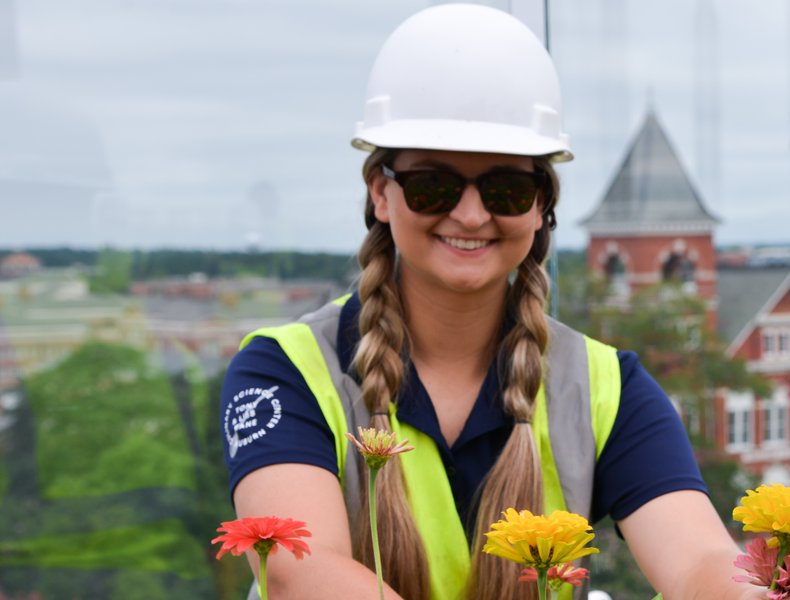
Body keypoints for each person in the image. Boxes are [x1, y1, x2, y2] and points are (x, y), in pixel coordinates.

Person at [220, 4, 759, 599]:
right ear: (381, 192)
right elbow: (302, 570)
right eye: (433, 186)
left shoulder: (606, 389)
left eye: (505, 189)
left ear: (540, 206)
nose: (471, 215)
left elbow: (700, 562)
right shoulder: (287, 372)